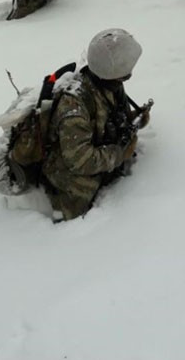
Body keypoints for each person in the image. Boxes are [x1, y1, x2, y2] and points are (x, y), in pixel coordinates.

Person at [41, 29, 151, 221]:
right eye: (125, 73)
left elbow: (115, 115)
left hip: (91, 145)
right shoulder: (74, 108)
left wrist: (134, 118)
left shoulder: (109, 83)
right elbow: (80, 160)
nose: (128, 75)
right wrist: (119, 154)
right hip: (65, 163)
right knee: (82, 193)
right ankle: (60, 220)